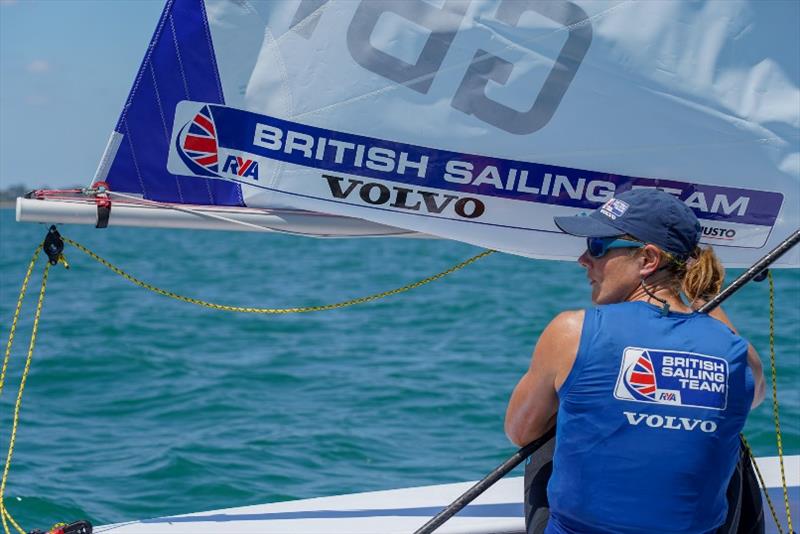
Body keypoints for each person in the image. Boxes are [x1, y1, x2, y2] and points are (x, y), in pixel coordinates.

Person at [504, 188, 766, 534]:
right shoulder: (737, 354)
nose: (584, 259)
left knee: (557, 418)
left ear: (647, 260)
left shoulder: (570, 332)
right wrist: (703, 293)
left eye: (598, 246)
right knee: (727, 426)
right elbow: (755, 393)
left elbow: (520, 432)